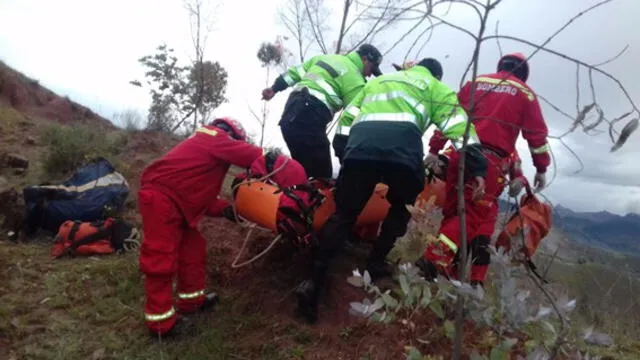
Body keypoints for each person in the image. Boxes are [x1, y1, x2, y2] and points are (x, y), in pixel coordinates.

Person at [294, 58, 488, 324]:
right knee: (401, 205)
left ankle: (313, 281)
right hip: (403, 153)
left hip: (361, 146)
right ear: (437, 75)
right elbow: (458, 124)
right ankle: (375, 264)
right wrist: (476, 166)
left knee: (344, 213)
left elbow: (348, 115)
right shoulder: (433, 86)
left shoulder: (379, 81)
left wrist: (345, 151)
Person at [417, 52, 551, 286]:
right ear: (523, 74)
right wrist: (541, 168)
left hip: (460, 153)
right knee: (470, 218)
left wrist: (434, 149)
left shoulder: (476, 83)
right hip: (490, 162)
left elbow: (450, 115)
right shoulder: (525, 93)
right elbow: (536, 136)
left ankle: (448, 270)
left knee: (453, 214)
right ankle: (432, 260)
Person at [138, 117, 265, 339]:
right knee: (160, 259)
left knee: (193, 251)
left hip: (176, 203)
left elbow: (202, 198)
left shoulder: (207, 154)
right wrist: (275, 161)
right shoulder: (212, 135)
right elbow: (252, 155)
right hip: (162, 200)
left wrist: (227, 210)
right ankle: (161, 325)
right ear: (231, 134)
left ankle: (191, 302)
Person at [261, 44, 384, 180]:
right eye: (372, 69)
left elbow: (293, 73)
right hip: (310, 116)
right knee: (321, 177)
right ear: (365, 59)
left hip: (290, 112)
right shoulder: (355, 79)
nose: (371, 74)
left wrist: (274, 88)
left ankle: (285, 190)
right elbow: (359, 116)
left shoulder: (324, 58)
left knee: (305, 171)